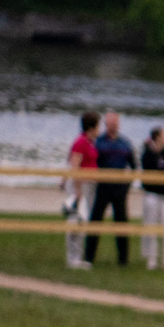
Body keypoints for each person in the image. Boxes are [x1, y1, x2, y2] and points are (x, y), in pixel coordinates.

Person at [85, 111, 137, 267]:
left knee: (121, 223)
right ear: (106, 125)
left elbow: (134, 166)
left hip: (120, 188)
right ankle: (89, 257)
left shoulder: (125, 143)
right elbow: (92, 162)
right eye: (110, 124)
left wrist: (127, 184)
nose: (113, 126)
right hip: (103, 187)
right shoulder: (98, 142)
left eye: (115, 123)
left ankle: (123, 260)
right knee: (96, 220)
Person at [137, 126, 164, 269]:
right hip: (152, 194)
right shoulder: (147, 153)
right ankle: (152, 260)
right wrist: (163, 172)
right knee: (151, 226)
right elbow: (149, 170)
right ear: (157, 137)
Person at [65, 111, 99, 268]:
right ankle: (73, 258)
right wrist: (77, 190)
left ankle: (78, 257)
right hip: (81, 186)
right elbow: (74, 165)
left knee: (83, 221)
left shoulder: (90, 142)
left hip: (90, 185)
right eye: (98, 126)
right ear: (91, 127)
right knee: (76, 221)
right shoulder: (80, 142)